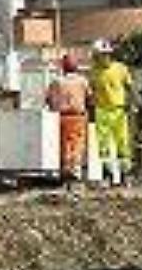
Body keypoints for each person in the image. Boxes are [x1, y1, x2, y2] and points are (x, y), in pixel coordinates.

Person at [90, 39, 133, 185]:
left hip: (119, 110)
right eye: (98, 55)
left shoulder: (121, 68)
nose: (101, 58)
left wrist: (132, 104)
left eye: (103, 55)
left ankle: (124, 175)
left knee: (123, 144)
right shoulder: (93, 72)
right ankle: (107, 174)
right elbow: (91, 92)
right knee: (103, 146)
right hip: (101, 111)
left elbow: (129, 87)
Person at [46, 52, 91, 182]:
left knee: (62, 143)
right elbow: (89, 98)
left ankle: (64, 168)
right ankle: (74, 169)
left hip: (60, 117)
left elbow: (48, 99)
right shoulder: (82, 81)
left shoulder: (56, 82)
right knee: (76, 143)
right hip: (77, 116)